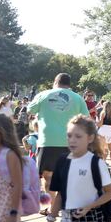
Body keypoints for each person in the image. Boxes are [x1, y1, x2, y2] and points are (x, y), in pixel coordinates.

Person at [27, 73, 90, 205]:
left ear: (55, 82)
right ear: (69, 84)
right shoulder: (77, 98)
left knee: (47, 177)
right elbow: (86, 119)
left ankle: (52, 207)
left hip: (47, 141)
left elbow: (30, 110)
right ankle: (62, 205)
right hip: (70, 143)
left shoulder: (43, 95)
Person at [97, 102, 111, 169]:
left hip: (103, 131)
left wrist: (96, 123)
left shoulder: (103, 113)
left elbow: (100, 124)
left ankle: (102, 163)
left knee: (102, 149)